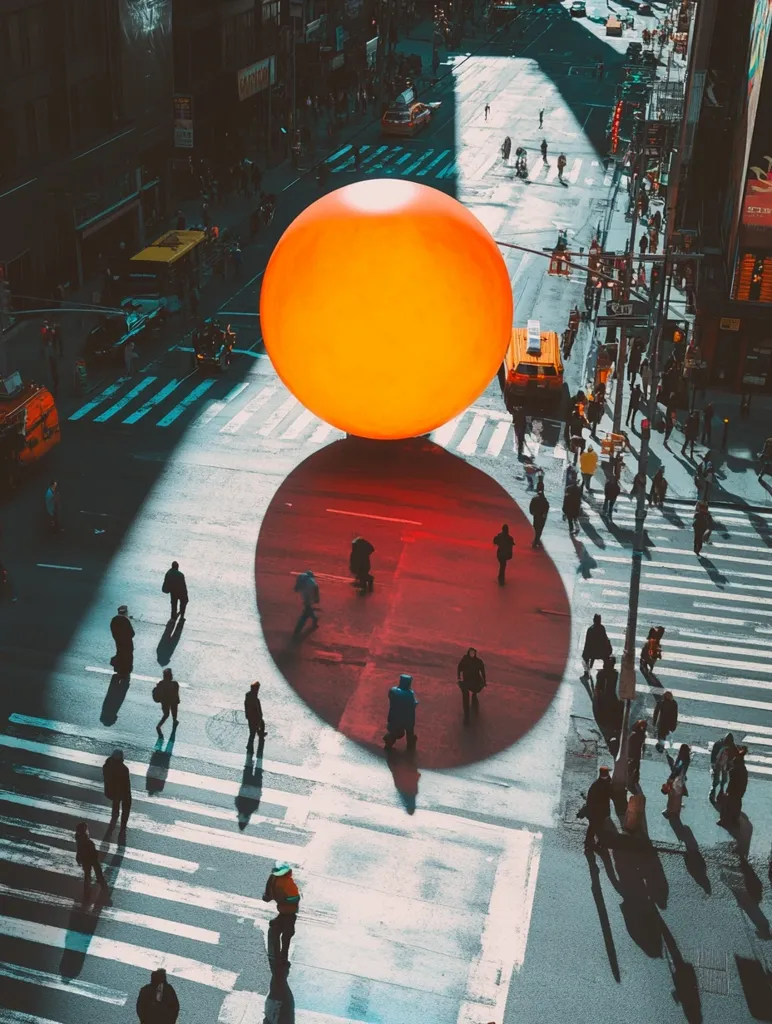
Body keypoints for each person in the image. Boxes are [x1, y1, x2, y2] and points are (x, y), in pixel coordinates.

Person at [262, 861, 300, 964]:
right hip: (289, 910)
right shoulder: (288, 883)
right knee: (288, 933)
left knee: (283, 915)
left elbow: (267, 895)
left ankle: (279, 920)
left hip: (281, 906)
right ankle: (284, 954)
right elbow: (295, 898)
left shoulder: (272, 878)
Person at [383, 673, 418, 749]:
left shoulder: (393, 690)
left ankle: (389, 741)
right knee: (409, 731)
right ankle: (410, 743)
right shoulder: (409, 693)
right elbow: (412, 704)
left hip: (394, 717)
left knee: (394, 731)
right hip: (407, 718)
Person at [583, 766, 612, 853]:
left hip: (595, 811)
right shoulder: (608, 782)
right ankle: (595, 843)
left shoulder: (595, 785)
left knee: (593, 827)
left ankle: (589, 842)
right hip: (602, 811)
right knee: (599, 827)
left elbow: (590, 800)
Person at [718, 746, 748, 827]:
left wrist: (727, 791)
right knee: (737, 804)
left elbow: (731, 782)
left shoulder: (733, 770)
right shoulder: (744, 769)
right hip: (740, 790)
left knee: (727, 804)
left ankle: (723, 820)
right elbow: (745, 781)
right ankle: (735, 819)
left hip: (733, 790)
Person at [103, 748, 132, 831]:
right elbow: (127, 784)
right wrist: (128, 794)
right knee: (126, 805)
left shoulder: (106, 765)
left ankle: (115, 817)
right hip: (121, 792)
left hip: (111, 791)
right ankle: (123, 825)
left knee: (116, 803)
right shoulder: (124, 769)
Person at [75, 822, 107, 894]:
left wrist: (78, 858)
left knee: (88, 872)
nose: (87, 830)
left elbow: (79, 850)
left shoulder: (79, 839)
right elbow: (88, 848)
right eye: (86, 829)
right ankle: (99, 880)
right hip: (90, 857)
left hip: (85, 858)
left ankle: (88, 885)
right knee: (96, 868)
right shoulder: (85, 840)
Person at [457, 647, 486, 724]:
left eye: (473, 653)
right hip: (466, 682)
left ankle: (474, 694)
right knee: (465, 697)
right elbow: (459, 668)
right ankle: (466, 717)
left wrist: (484, 681)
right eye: (471, 652)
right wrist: (459, 678)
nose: (472, 654)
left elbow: (483, 671)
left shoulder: (478, 661)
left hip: (476, 682)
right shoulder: (465, 660)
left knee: (476, 690)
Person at [663, 743, 691, 818]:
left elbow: (676, 770)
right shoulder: (686, 759)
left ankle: (669, 811)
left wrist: (670, 779)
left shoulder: (681, 760)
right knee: (678, 796)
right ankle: (676, 809)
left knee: (671, 796)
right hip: (681, 780)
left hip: (676, 780)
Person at [110, 605, 134, 681]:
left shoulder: (114, 619)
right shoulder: (126, 621)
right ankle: (126, 672)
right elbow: (132, 633)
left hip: (119, 642)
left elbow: (113, 631)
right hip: (127, 643)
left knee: (120, 655)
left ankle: (119, 671)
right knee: (128, 657)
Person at [709, 732, 736, 802]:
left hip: (725, 763)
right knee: (716, 779)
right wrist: (713, 764)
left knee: (724, 779)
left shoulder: (731, 746)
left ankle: (721, 791)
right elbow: (713, 755)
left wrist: (730, 765)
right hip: (718, 763)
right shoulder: (718, 744)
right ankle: (713, 791)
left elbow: (734, 755)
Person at [153, 667, 180, 734]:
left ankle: (159, 725)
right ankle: (174, 721)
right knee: (174, 711)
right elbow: (176, 694)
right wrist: (177, 700)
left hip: (164, 701)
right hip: (173, 701)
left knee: (166, 714)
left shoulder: (161, 683)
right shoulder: (175, 684)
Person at [293, 570, 320, 635]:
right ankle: (314, 620)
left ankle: (314, 619)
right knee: (306, 613)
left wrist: (296, 588)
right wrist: (317, 599)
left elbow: (297, 585)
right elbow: (316, 588)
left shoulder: (301, 576)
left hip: (305, 595)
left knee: (307, 610)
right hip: (308, 596)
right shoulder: (311, 581)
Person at [245, 680, 266, 751]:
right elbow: (256, 708)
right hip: (254, 718)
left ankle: (260, 734)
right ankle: (249, 746)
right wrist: (259, 716)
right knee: (253, 732)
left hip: (251, 717)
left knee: (255, 729)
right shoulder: (253, 697)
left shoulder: (249, 695)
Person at [627, 719, 648, 787]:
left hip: (634, 752)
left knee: (634, 766)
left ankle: (632, 778)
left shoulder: (637, 733)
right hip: (634, 752)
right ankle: (633, 779)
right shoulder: (639, 734)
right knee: (634, 765)